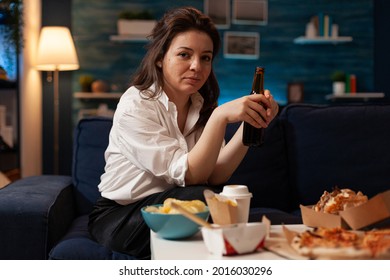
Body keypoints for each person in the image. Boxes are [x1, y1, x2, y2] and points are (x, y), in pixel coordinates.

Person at [88, 6, 279, 259]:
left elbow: (216, 173)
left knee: (220, 196)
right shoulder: (136, 104)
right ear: (160, 57)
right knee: (205, 198)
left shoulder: (200, 105)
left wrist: (252, 120)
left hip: (173, 205)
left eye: (206, 58)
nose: (196, 66)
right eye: (184, 55)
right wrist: (221, 117)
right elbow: (192, 175)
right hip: (122, 215)